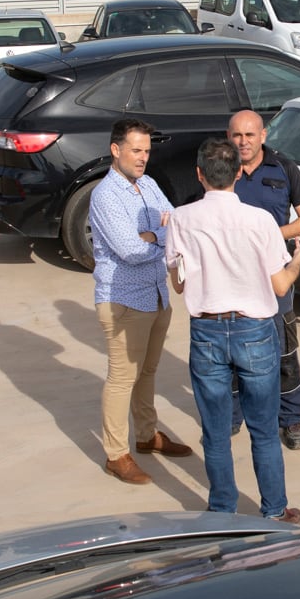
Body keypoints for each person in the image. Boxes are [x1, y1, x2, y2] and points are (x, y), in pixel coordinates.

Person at [167, 137, 300, 521]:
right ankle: (274, 510)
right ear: (238, 173)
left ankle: (221, 509)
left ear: (200, 175)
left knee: (216, 433)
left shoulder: (182, 219)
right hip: (255, 331)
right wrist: (299, 257)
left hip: (206, 332)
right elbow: (281, 286)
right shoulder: (260, 221)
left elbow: (180, 284)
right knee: (265, 431)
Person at [88, 117, 192, 485]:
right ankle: (116, 454)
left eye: (146, 151)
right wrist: (161, 238)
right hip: (124, 300)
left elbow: (175, 222)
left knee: (147, 372)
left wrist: (156, 235)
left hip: (157, 294)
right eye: (136, 150)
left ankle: (147, 436)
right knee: (122, 378)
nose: (143, 158)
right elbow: (131, 251)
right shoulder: (104, 196)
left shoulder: (147, 184)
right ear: (116, 150)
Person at [226, 109, 300, 450]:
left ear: (263, 136)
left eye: (250, 135)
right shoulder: (222, 171)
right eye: (237, 135)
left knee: (284, 352)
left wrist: (272, 234)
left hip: (276, 276)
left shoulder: (284, 168)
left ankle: (291, 420)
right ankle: (233, 417)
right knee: (233, 351)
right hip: (233, 277)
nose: (243, 142)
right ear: (228, 136)